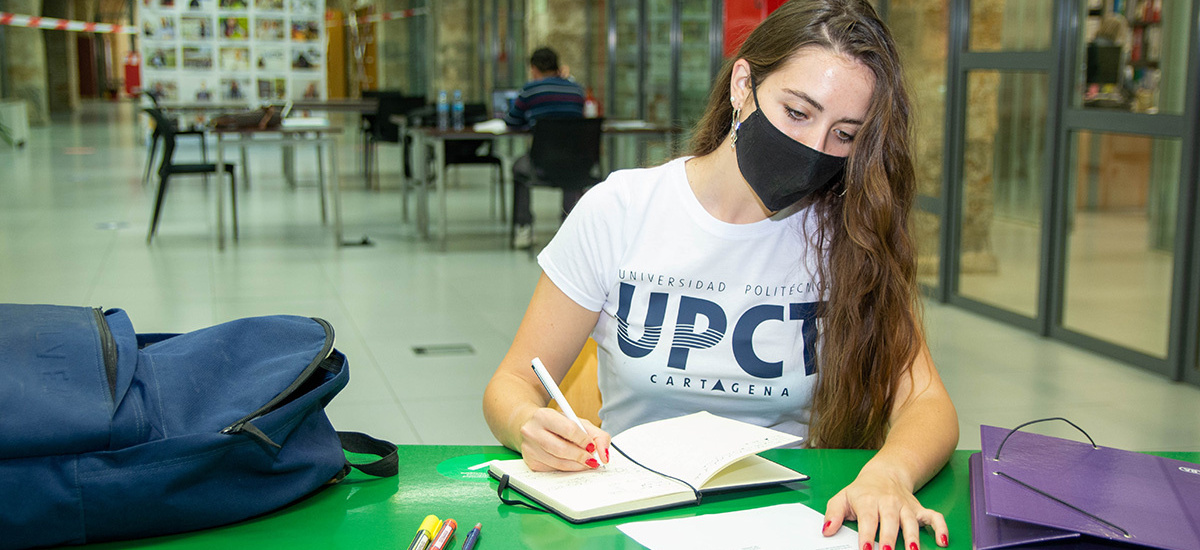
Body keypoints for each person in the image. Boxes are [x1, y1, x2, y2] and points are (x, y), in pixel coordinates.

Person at [481, 2, 958, 550]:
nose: (814, 149)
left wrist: (890, 471)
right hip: (630, 512)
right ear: (742, 85)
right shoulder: (621, 209)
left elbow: (928, 404)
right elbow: (513, 382)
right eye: (798, 113)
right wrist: (526, 425)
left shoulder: (850, 236)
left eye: (845, 135)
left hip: (788, 519)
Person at [503, 47, 587, 249]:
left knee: (519, 169)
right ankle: (570, 228)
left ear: (534, 69)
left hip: (541, 162)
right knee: (571, 169)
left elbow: (511, 121)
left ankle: (523, 228)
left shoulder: (530, 90)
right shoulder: (576, 90)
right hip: (576, 160)